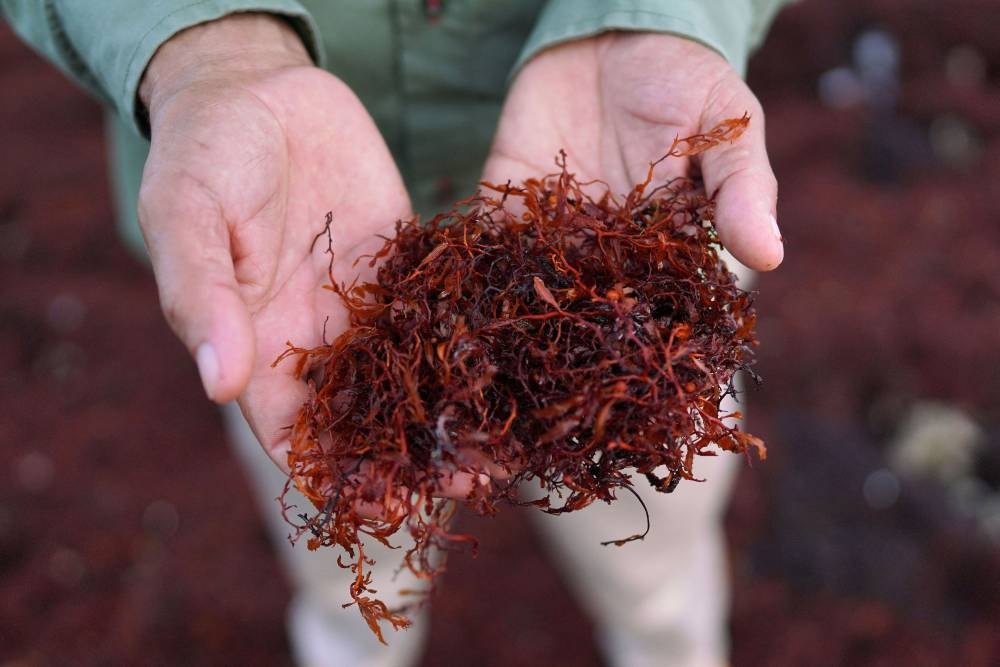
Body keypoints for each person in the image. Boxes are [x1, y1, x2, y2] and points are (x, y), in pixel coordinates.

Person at [3, 2, 788, 665]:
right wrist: (209, 46)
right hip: (292, 248)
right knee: (350, 539)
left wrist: (658, 16)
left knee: (652, 530)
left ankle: (666, 637)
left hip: (624, 185)